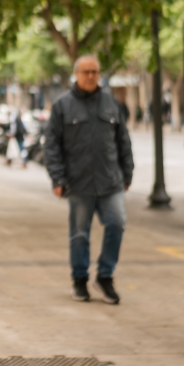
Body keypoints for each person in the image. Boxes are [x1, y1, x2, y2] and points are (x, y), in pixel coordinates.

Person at [44, 55, 133, 305]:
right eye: (86, 72)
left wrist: (128, 173)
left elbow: (123, 141)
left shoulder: (110, 103)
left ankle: (105, 276)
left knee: (117, 223)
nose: (91, 76)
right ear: (76, 74)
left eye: (95, 71)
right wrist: (57, 179)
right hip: (78, 183)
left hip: (110, 182)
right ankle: (80, 280)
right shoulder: (62, 105)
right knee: (80, 235)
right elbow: (51, 146)